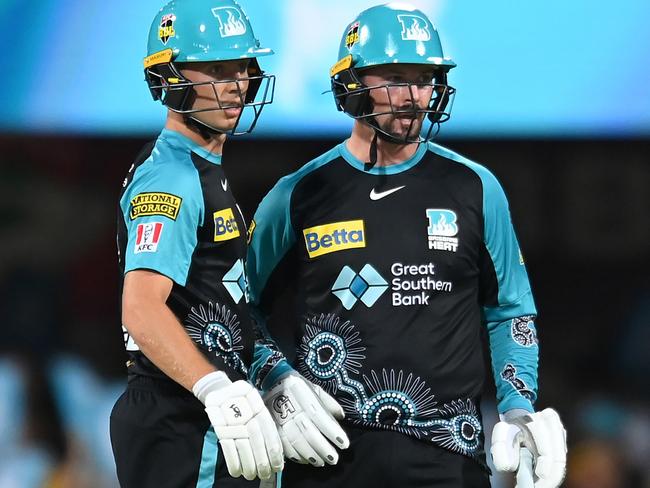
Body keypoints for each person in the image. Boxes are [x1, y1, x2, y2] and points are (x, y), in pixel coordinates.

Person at [246, 3, 567, 487]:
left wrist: (518, 409)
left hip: (448, 460)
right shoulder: (297, 195)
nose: (413, 96)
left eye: (424, 78)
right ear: (351, 83)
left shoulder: (477, 188)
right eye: (395, 77)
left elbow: (510, 311)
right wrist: (275, 383)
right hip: (327, 456)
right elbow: (237, 306)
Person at [110, 1, 285, 486]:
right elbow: (141, 308)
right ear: (169, 78)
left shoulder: (199, 167)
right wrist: (213, 388)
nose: (236, 83)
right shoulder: (172, 178)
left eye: (243, 67)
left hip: (194, 412)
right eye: (215, 69)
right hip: (180, 417)